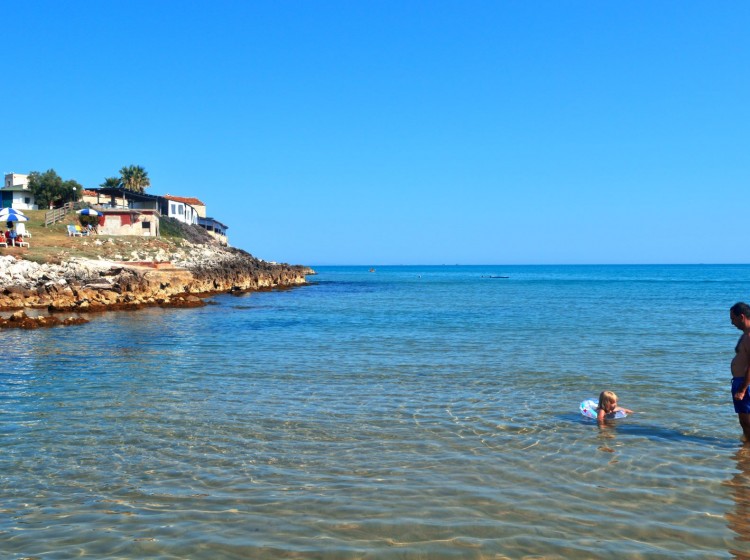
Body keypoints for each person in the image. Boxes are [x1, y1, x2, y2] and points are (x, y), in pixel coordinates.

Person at [730, 302, 750, 440]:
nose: (732, 323)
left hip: (745, 383)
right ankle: (746, 448)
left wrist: (743, 388)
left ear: (741, 316)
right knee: (745, 422)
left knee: (747, 422)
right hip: (741, 381)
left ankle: (747, 449)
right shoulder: (745, 335)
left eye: (733, 319)